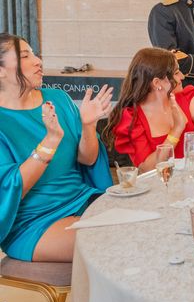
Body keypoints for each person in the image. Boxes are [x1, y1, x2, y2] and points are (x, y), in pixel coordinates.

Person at [0, 33, 113, 262]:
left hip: (82, 200)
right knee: (113, 242)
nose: (38, 60)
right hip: (35, 222)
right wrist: (49, 142)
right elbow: (11, 188)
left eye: (34, 53)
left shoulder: (58, 99)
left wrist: (88, 125)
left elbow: (88, 160)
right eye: (25, 56)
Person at [104, 48, 194, 172]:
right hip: (160, 184)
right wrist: (176, 130)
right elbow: (146, 168)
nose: (182, 76)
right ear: (157, 83)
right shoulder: (132, 118)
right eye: (177, 73)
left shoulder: (188, 99)